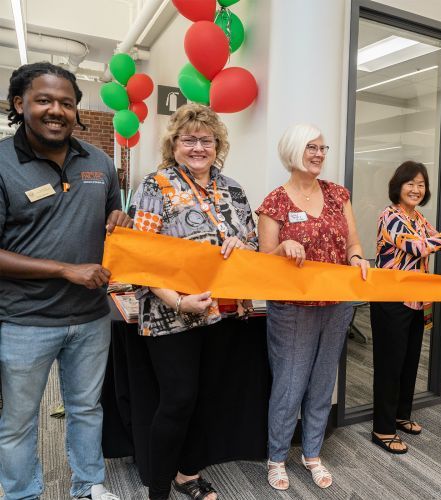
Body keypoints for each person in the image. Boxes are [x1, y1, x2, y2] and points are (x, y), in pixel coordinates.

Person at [0, 62, 130, 500]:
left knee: (86, 409)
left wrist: (119, 221)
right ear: (20, 104)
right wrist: (63, 269)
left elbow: (113, 222)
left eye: (67, 103)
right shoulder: (1, 163)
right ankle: (22, 493)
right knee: (19, 421)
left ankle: (88, 486)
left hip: (91, 317)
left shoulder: (99, 162)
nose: (56, 110)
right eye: (44, 100)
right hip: (25, 319)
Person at [128, 103, 258, 500]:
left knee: (206, 398)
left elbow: (252, 242)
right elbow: (140, 256)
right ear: (175, 144)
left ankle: (188, 475)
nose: (199, 147)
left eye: (207, 140)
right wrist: (178, 302)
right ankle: (158, 490)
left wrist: (243, 244)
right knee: (178, 401)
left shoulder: (232, 188)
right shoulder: (156, 185)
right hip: (172, 316)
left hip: (222, 314)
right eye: (190, 140)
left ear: (218, 144)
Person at [257, 123, 369, 490]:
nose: (319, 154)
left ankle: (312, 453)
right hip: (293, 308)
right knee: (290, 385)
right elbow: (262, 262)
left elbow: (353, 241)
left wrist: (357, 258)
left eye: (323, 148)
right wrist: (281, 250)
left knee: (323, 382)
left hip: (336, 304)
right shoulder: (275, 201)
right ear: (293, 151)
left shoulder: (338, 194)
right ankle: (276, 458)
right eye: (311, 147)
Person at [370, 161, 441, 454]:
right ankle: (382, 429)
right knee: (390, 363)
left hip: (417, 300)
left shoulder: (418, 218)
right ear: (398, 186)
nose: (416, 189)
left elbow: (439, 241)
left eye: (421, 184)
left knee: (410, 360)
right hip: (391, 300)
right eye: (410, 183)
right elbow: (420, 247)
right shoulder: (390, 216)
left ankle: (401, 415)